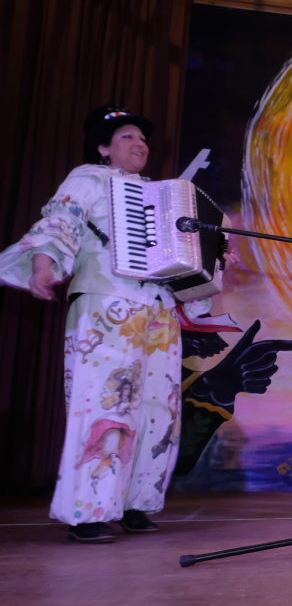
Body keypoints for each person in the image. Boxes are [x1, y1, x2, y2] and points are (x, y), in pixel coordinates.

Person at [0, 105, 183, 543]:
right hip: (106, 302)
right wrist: (43, 265)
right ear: (103, 148)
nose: (140, 144)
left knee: (158, 408)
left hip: (158, 309)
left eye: (143, 139)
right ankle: (89, 511)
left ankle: (136, 502)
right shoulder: (89, 177)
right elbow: (60, 221)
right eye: (127, 137)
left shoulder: (161, 195)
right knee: (105, 404)